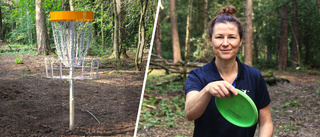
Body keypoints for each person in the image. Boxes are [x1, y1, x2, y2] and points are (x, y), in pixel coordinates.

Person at [184, 5, 273, 137]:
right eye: (219, 37)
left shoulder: (254, 76)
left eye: (232, 37)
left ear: (240, 40)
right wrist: (207, 90)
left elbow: (266, 122)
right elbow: (190, 114)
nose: (225, 43)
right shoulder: (197, 76)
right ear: (210, 40)